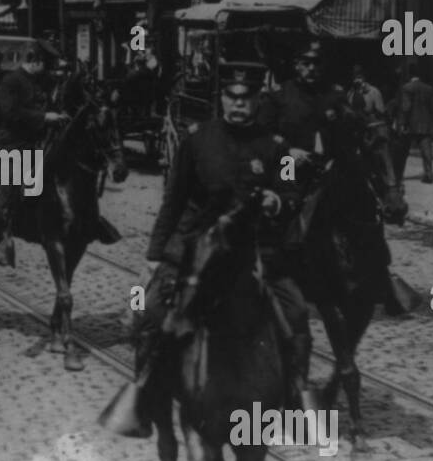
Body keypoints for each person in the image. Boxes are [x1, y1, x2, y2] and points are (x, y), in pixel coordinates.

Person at [101, 64, 308, 438]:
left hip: (255, 253)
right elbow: (173, 200)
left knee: (295, 314)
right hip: (195, 252)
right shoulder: (196, 140)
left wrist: (279, 200)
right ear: (222, 98)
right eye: (232, 97)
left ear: (258, 100)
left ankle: (295, 396)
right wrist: (154, 255)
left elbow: (293, 192)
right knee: (150, 315)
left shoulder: (277, 147)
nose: (238, 105)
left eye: (246, 98)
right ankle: (144, 396)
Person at [0, 41, 69, 268]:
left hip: (39, 140)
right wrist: (44, 117)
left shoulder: (39, 80)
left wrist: (57, 115)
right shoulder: (10, 81)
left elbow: (48, 101)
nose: (45, 68)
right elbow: (10, 112)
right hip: (14, 141)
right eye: (43, 64)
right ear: (33, 61)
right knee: (12, 184)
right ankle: (3, 237)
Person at [397, 71, 433, 183]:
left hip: (411, 124)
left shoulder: (406, 88)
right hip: (425, 124)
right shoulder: (429, 89)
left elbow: (406, 107)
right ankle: (429, 174)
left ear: (410, 77)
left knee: (403, 152)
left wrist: (402, 123)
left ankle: (399, 175)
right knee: (426, 151)